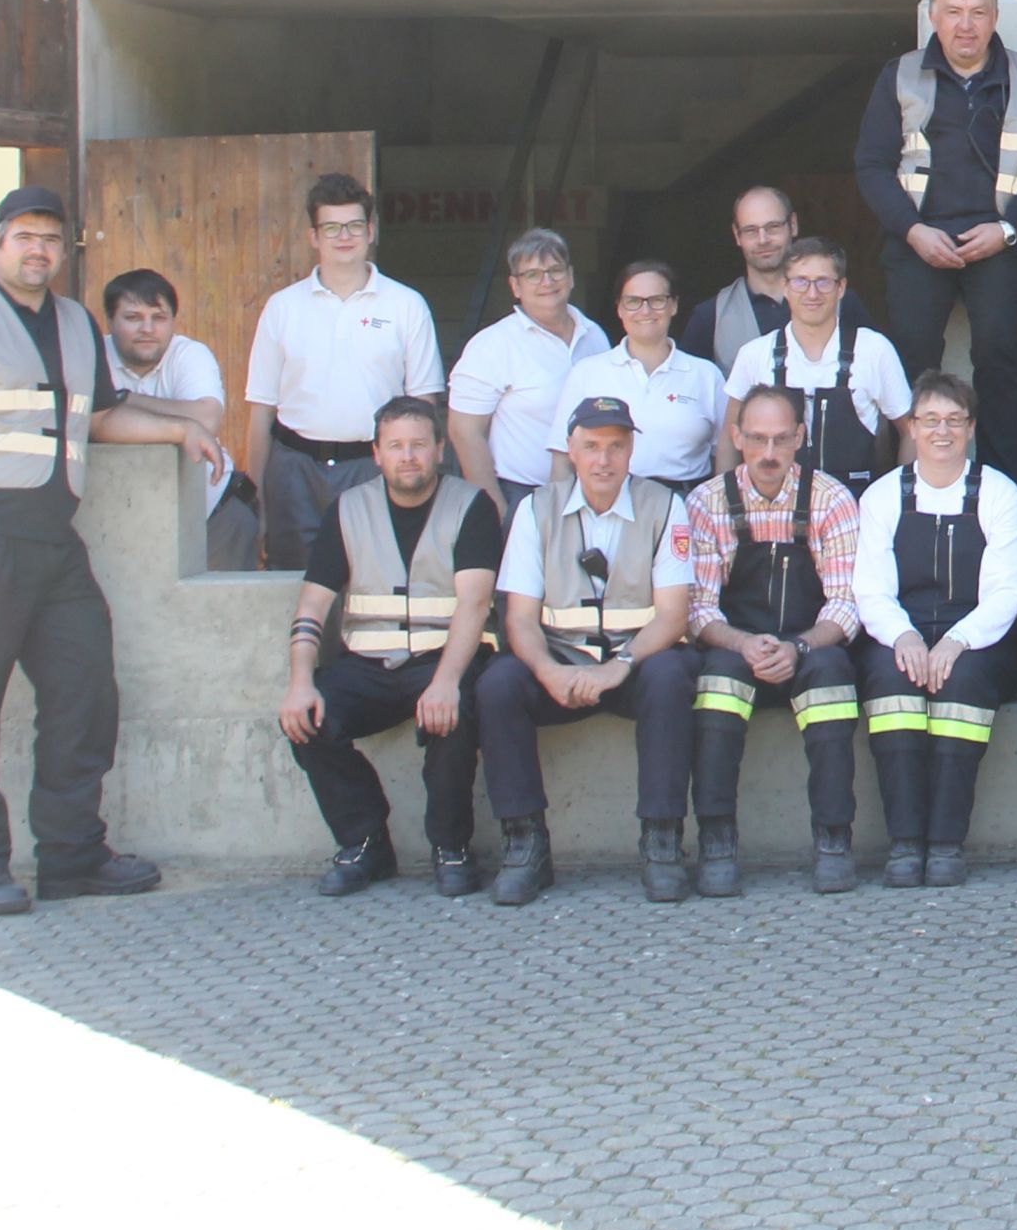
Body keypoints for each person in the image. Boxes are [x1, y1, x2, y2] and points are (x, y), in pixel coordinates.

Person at [0, 185, 225, 915]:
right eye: (24, 236)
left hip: (52, 542)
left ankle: (71, 855)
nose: (38, 250)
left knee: (84, 691)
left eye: (50, 239)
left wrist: (179, 429)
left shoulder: (75, 323)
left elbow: (98, 418)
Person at [475, 395, 702, 905]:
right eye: (592, 446)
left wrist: (619, 667)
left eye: (616, 447)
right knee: (498, 685)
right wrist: (547, 671)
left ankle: (662, 840)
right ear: (571, 451)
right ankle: (525, 843)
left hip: (633, 665)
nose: (604, 460)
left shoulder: (666, 505)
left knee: (671, 676)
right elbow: (519, 618)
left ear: (631, 451)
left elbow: (673, 615)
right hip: (560, 663)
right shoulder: (535, 509)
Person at [277, 394, 500, 897]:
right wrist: (300, 682)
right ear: (376, 454)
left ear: (439, 449)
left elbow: (474, 602)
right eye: (396, 446)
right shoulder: (348, 509)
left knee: (456, 713)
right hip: (366, 666)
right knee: (308, 718)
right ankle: (364, 842)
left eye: (418, 445)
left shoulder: (471, 506)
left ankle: (451, 846)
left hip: (443, 658)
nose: (408, 457)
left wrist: (445, 682)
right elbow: (311, 605)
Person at [853, 0, 1017, 476]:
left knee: (999, 355)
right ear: (933, 16)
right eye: (953, 12)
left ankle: (1004, 489)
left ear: (995, 17)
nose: (965, 25)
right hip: (918, 239)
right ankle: (907, 484)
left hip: (1001, 241)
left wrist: (1009, 229)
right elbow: (871, 164)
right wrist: (912, 231)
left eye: (977, 12)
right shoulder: (900, 74)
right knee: (910, 361)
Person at [682, 384, 866, 897]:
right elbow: (698, 610)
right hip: (735, 648)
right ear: (736, 437)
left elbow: (845, 604)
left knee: (832, 678)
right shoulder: (706, 503)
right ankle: (717, 840)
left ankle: (834, 839)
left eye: (781, 439)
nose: (768, 453)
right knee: (716, 685)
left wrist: (799, 647)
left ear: (800, 437)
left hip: (807, 647)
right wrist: (744, 645)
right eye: (757, 438)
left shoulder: (831, 499)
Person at [851, 372, 1017, 886]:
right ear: (911, 427)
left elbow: (1005, 592)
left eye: (954, 420)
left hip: (980, 640)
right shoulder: (883, 496)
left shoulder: (998, 493)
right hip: (900, 633)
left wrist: (957, 641)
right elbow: (871, 590)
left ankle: (947, 843)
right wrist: (904, 637)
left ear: (971, 428)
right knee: (890, 683)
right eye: (930, 420)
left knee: (963, 684)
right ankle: (906, 843)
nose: (942, 431)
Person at [243, 172, 445, 574]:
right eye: (331, 228)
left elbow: (424, 405)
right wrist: (257, 496)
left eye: (354, 225)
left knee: (378, 579)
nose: (344, 236)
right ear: (314, 237)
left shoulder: (406, 306)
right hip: (295, 470)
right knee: (296, 582)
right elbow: (261, 411)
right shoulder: (282, 308)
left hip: (374, 467)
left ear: (371, 231)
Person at [721, 236, 913, 502]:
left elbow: (911, 432)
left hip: (857, 506)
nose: (812, 294)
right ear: (785, 286)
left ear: (841, 287)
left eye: (823, 282)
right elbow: (729, 437)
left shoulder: (874, 350)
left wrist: (903, 502)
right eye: (801, 281)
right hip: (773, 510)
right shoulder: (754, 354)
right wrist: (729, 505)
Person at [101, 266, 252, 572]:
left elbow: (206, 420)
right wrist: (181, 423)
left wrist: (123, 399)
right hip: (119, 527)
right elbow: (89, 421)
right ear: (110, 320)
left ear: (173, 321)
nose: (147, 328)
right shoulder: (93, 355)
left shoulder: (189, 354)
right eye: (133, 317)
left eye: (158, 318)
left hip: (213, 516)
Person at [445, 228, 609, 509]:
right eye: (532, 274)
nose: (547, 281)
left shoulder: (594, 336)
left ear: (570, 276)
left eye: (555, 270)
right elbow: (465, 432)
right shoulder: (492, 345)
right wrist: (495, 507)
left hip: (592, 496)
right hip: (520, 497)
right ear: (515, 286)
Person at [556, 260, 730, 492]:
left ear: (673, 306)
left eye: (657, 300)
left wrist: (719, 505)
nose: (645, 311)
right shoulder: (587, 373)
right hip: (607, 500)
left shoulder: (706, 375)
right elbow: (562, 455)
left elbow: (726, 452)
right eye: (633, 301)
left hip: (686, 500)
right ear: (619, 308)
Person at [680, 185, 798, 365]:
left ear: (793, 225)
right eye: (751, 230)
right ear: (737, 235)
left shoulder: (836, 302)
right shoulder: (710, 316)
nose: (763, 240)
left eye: (773, 227)